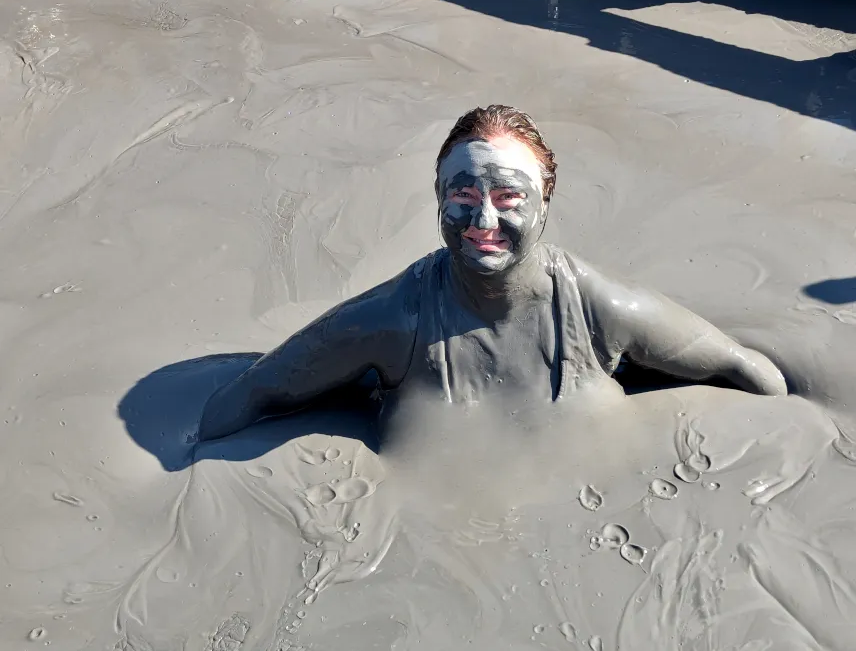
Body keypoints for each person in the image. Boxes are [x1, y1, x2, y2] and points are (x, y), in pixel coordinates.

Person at [198, 105, 787, 443]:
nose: (483, 220)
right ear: (439, 198)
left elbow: (749, 372)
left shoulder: (603, 310)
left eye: (508, 197)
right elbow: (248, 396)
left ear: (544, 205)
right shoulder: (393, 320)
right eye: (463, 194)